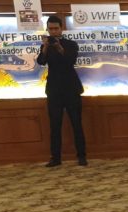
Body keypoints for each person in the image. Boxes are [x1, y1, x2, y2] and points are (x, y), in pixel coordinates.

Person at [37, 15, 86, 167]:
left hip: (71, 89)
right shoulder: (45, 46)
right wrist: (46, 47)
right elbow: (41, 61)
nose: (53, 32)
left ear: (61, 28)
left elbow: (70, 61)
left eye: (56, 28)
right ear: (47, 29)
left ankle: (82, 157)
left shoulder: (71, 44)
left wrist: (59, 47)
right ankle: (56, 158)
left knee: (76, 124)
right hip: (54, 90)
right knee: (55, 126)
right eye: (50, 29)